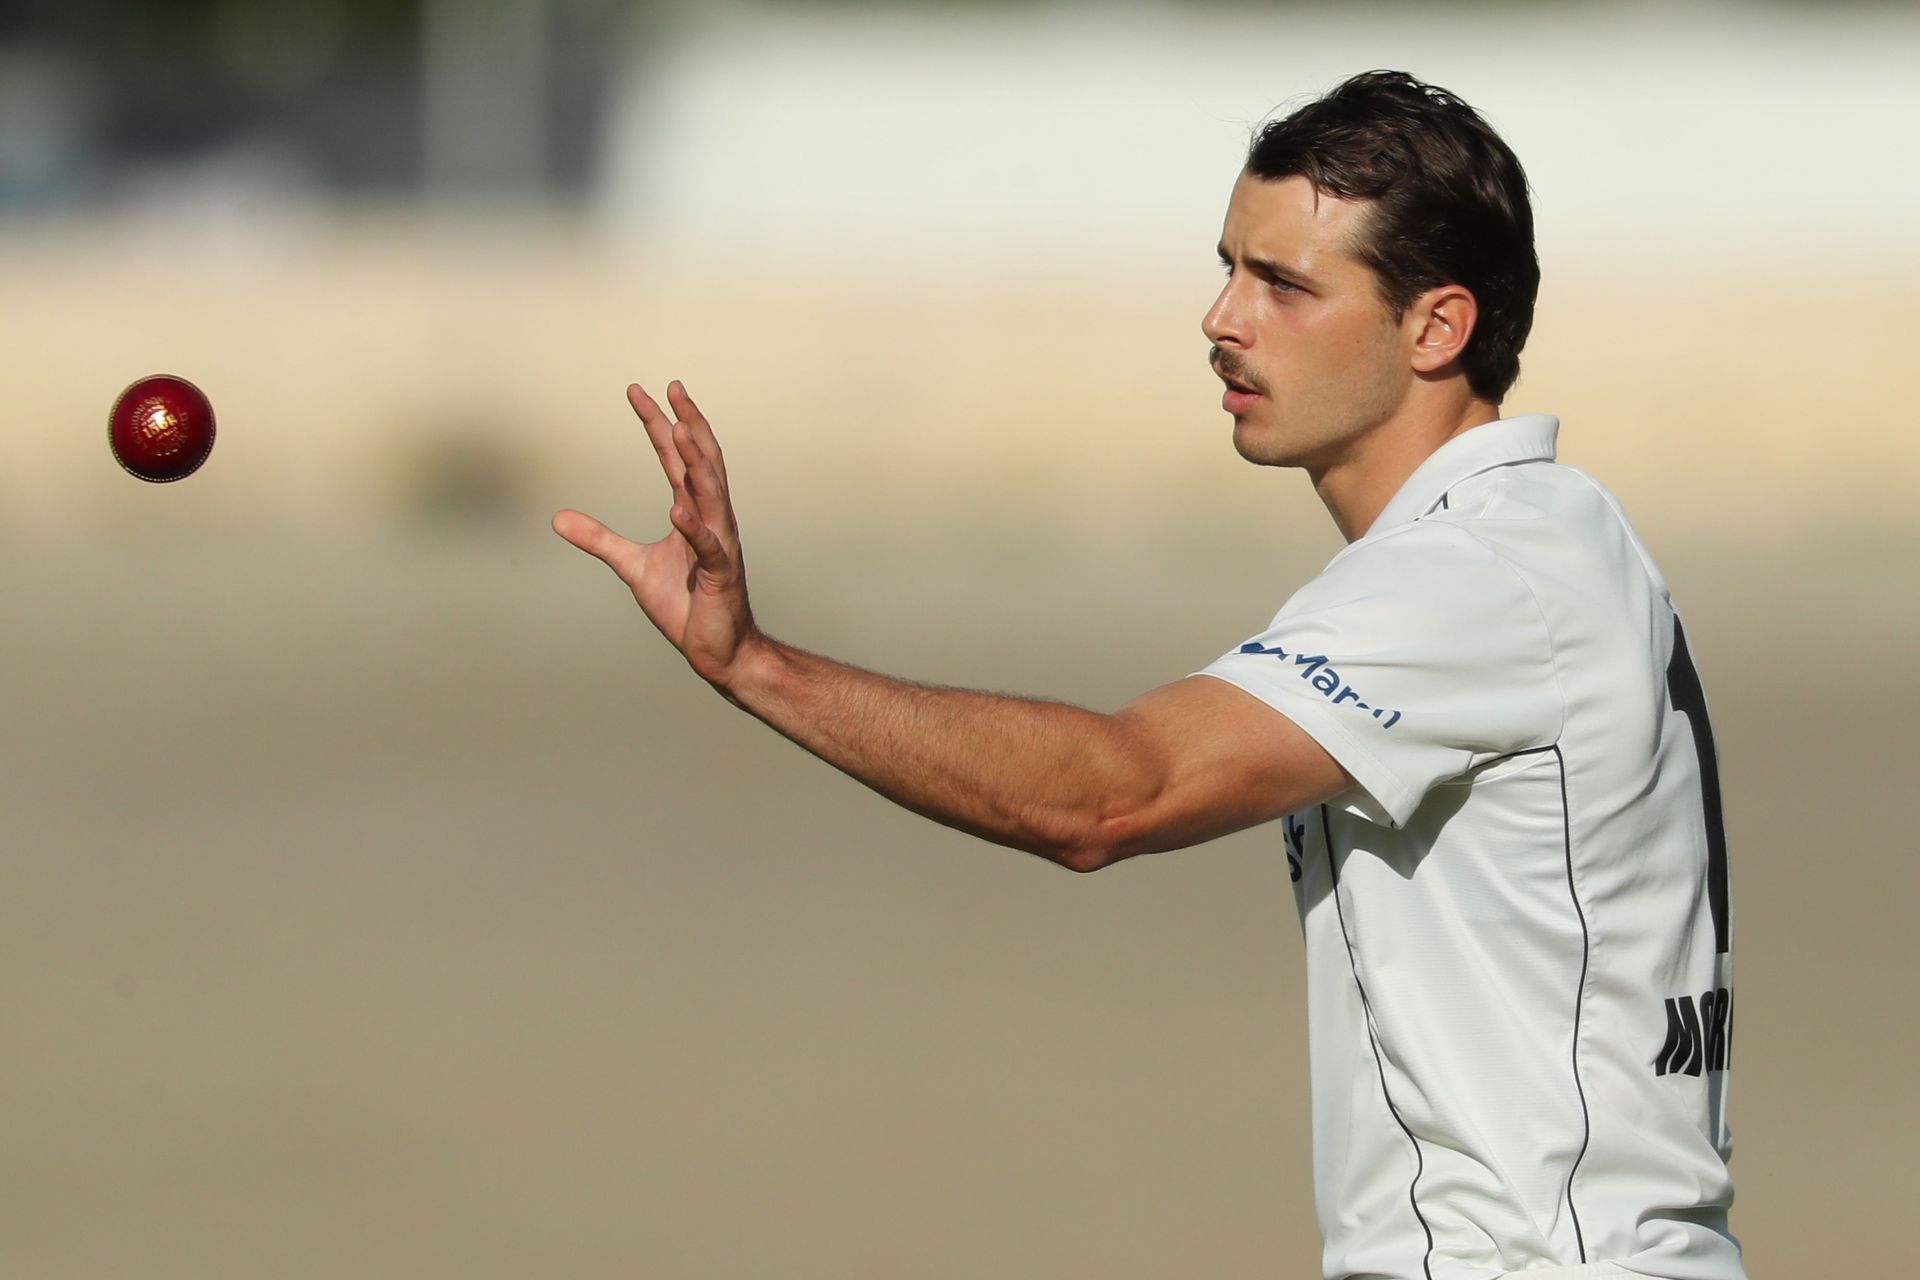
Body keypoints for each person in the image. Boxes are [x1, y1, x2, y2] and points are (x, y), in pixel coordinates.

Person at [553, 70, 1743, 1280]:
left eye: (1282, 284)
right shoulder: (1546, 534)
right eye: (1228, 266)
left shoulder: (1476, 574)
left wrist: (758, 664)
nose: (1223, 318)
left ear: (1437, 327)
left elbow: (1111, 793)